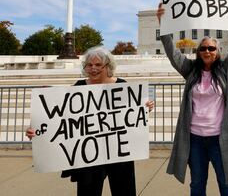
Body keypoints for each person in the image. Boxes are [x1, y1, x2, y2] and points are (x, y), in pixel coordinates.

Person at [26, 46, 154, 196]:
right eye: (89, 65)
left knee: (124, 190)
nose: (93, 68)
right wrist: (37, 129)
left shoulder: (122, 86)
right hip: (89, 154)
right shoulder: (79, 88)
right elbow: (60, 118)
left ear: (108, 66)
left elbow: (131, 116)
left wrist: (144, 108)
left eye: (98, 65)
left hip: (119, 152)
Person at [156, 2, 228, 196]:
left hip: (221, 137)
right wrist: (163, 25)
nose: (207, 51)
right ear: (198, 52)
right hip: (195, 138)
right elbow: (173, 54)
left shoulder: (226, 70)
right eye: (203, 48)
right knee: (197, 184)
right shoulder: (190, 70)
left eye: (211, 48)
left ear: (218, 52)